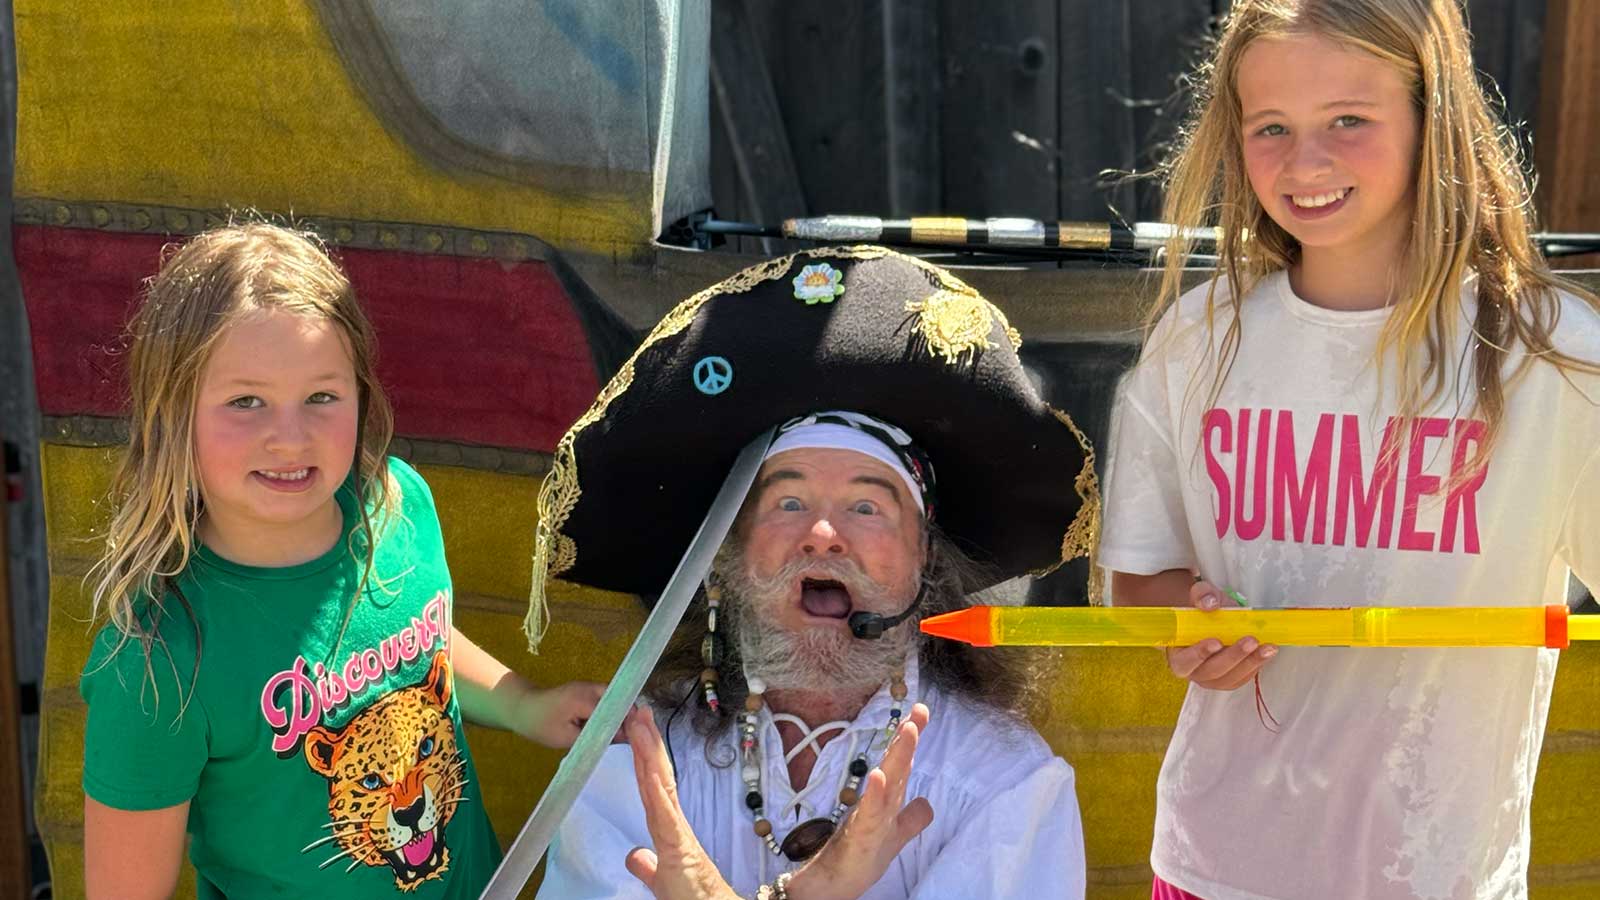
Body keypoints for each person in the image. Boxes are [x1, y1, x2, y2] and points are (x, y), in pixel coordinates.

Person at [1099, 1, 1600, 897]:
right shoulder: (1195, 339)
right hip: (1214, 868)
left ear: (1434, 116)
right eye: (1272, 127)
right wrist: (1188, 623)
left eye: (1348, 120)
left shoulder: (1554, 360)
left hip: (1440, 877)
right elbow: (1137, 581)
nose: (1306, 162)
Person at [527, 249, 1098, 898]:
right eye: (790, 502)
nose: (823, 535)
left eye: (867, 507)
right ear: (727, 556)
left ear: (927, 559)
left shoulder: (1002, 784)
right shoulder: (641, 758)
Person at [79, 223, 627, 899]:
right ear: (171, 414)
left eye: (321, 397)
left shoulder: (398, 504)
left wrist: (522, 704)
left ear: (362, 394)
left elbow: (419, 643)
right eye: (246, 401)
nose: (290, 438)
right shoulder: (156, 666)